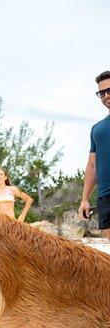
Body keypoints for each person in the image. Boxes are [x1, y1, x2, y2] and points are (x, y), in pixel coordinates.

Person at [78, 71, 110, 239]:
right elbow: (92, 165)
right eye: (101, 93)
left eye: (109, 90)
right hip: (105, 197)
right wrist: (85, 199)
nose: (106, 96)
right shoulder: (97, 129)